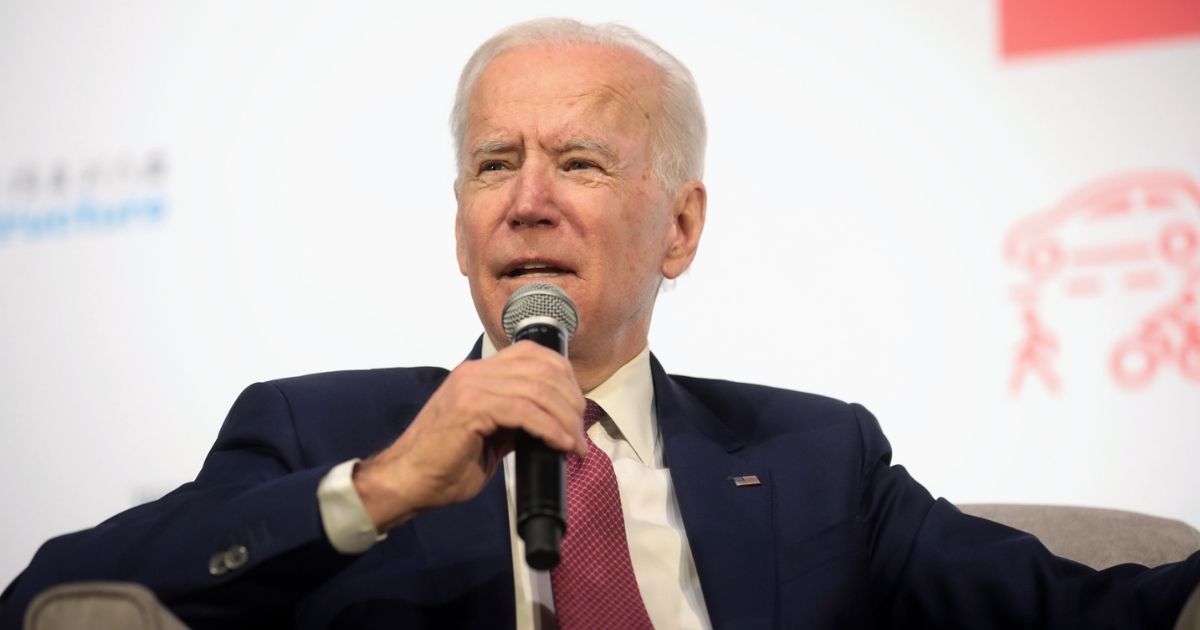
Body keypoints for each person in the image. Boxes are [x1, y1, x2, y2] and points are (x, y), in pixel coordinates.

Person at [2, 17, 1198, 630]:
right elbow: (59, 605)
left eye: (578, 160)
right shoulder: (321, 428)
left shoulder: (816, 461)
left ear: (679, 229)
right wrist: (372, 492)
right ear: (460, 219)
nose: (527, 198)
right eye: (491, 164)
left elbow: (1098, 611)